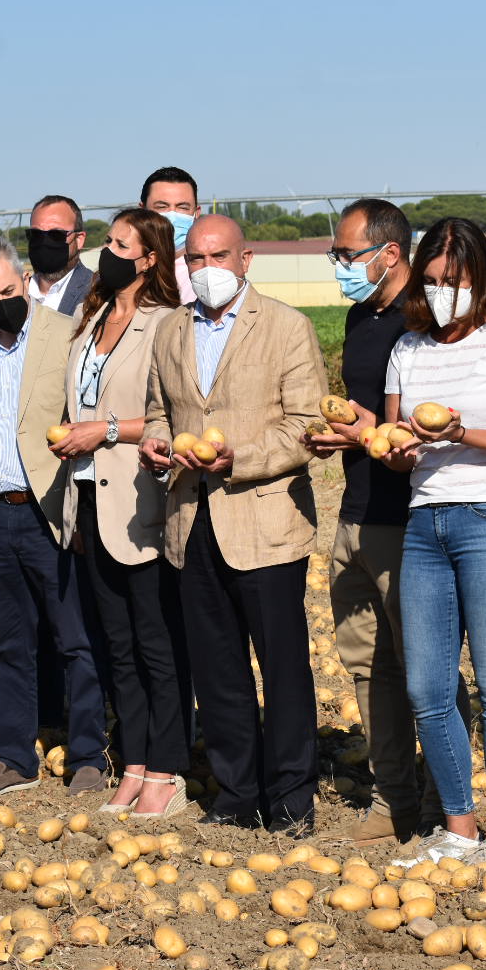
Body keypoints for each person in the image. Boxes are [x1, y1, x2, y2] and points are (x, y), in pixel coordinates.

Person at [378, 217, 486, 870]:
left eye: (454, 281)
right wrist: (393, 445)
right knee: (426, 685)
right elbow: (400, 450)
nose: (443, 291)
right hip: (426, 522)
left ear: (480, 279)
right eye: (432, 281)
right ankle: (457, 827)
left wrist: (462, 435)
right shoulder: (410, 348)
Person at [140, 213, 326, 835]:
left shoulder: (286, 327)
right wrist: (159, 444)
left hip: (266, 521)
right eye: (196, 259)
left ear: (246, 260)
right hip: (192, 520)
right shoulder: (170, 331)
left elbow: (305, 426)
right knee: (217, 668)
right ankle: (237, 791)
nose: (207, 269)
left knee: (283, 666)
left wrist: (236, 459)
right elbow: (157, 411)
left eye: (219, 257)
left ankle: (292, 796)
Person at [304, 198, 447, 847]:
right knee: (367, 665)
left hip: (410, 517)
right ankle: (394, 800)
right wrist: (343, 434)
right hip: (355, 512)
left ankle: (452, 803)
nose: (339, 265)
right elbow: (366, 414)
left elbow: (439, 417)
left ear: (390, 253)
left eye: (346, 253)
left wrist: (370, 434)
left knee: (426, 668)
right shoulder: (362, 316)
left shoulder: (431, 315)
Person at [0, 237, 109, 798]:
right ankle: (14, 758)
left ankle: (89, 754)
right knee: (8, 643)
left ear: (25, 281)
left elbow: (88, 412)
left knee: (74, 639)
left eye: (10, 291)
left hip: (50, 510)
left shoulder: (66, 336)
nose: (2, 303)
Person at [52, 208, 186, 817]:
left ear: (150, 259)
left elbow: (170, 413)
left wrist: (102, 431)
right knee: (119, 644)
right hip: (86, 495)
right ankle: (132, 763)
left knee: (155, 641)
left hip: (138, 496)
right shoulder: (94, 317)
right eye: (107, 242)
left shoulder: (164, 325)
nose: (108, 253)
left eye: (121, 245)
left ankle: (166, 768)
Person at [140, 166, 200, 304]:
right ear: (142, 211)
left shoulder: (207, 271)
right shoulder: (128, 270)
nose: (172, 216)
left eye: (182, 207)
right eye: (161, 207)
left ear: (196, 213)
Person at [27, 196, 94, 316]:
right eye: (36, 234)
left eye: (56, 235)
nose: (44, 242)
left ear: (79, 239)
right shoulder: (13, 292)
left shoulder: (98, 291)